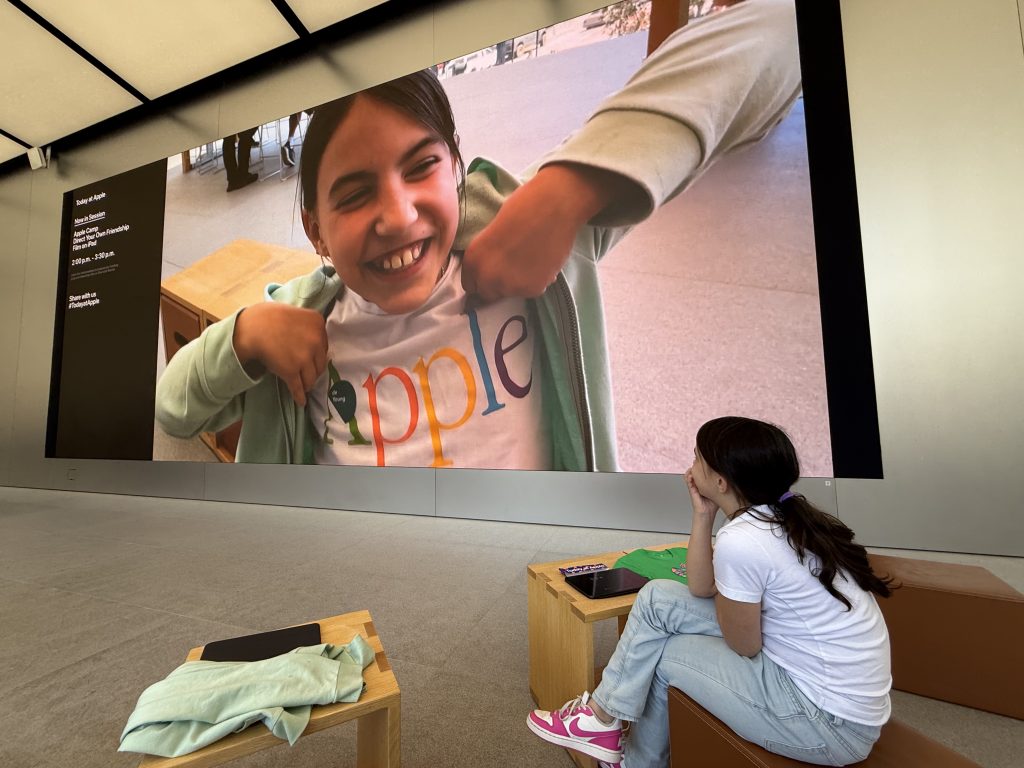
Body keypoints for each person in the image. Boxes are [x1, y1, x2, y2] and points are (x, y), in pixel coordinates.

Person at [156, 0, 802, 470]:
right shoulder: (300, 328)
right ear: (314, 231)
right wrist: (245, 334)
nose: (400, 215)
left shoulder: (535, 244)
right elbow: (173, 411)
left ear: (458, 168)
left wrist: (571, 189)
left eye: (422, 168)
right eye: (354, 194)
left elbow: (779, 31)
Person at [527, 416, 894, 767]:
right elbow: (701, 587)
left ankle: (632, 757)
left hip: (827, 724)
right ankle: (602, 719)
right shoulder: (780, 518)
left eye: (697, 459)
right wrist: (703, 515)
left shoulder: (745, 541)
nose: (690, 466)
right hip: (823, 690)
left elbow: (744, 645)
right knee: (657, 598)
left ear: (721, 482)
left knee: (665, 655)